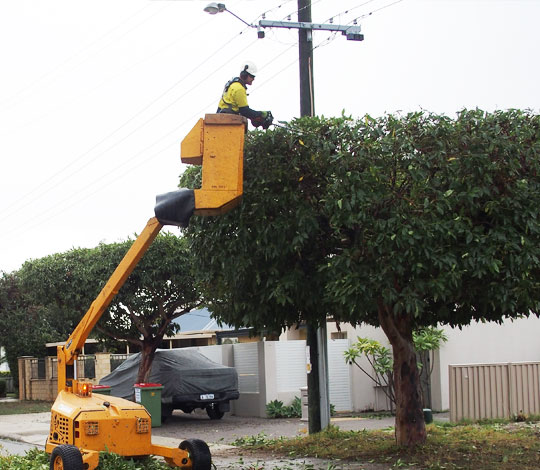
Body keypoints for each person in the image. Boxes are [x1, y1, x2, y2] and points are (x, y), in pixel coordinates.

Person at [217, 62, 272, 128]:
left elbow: (221, 108)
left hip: (222, 119)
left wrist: (255, 117)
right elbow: (245, 111)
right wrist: (262, 114)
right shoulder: (239, 89)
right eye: (252, 76)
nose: (253, 79)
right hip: (229, 122)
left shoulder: (232, 85)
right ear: (244, 75)